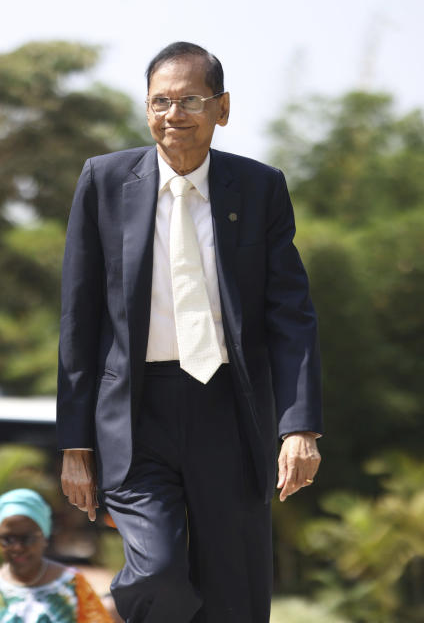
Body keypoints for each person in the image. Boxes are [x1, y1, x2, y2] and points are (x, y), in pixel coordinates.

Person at [56, 42, 323, 623]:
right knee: (157, 572)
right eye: (160, 102)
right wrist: (76, 443)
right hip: (135, 416)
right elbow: (79, 318)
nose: (173, 114)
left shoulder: (258, 188)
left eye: (190, 101)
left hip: (229, 411)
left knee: (235, 596)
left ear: (222, 109)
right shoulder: (103, 182)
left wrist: (299, 427)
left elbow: (290, 313)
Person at [0, 489, 114, 623]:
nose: (18, 547)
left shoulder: (73, 586)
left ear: (44, 536)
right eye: (8, 539)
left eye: (27, 538)